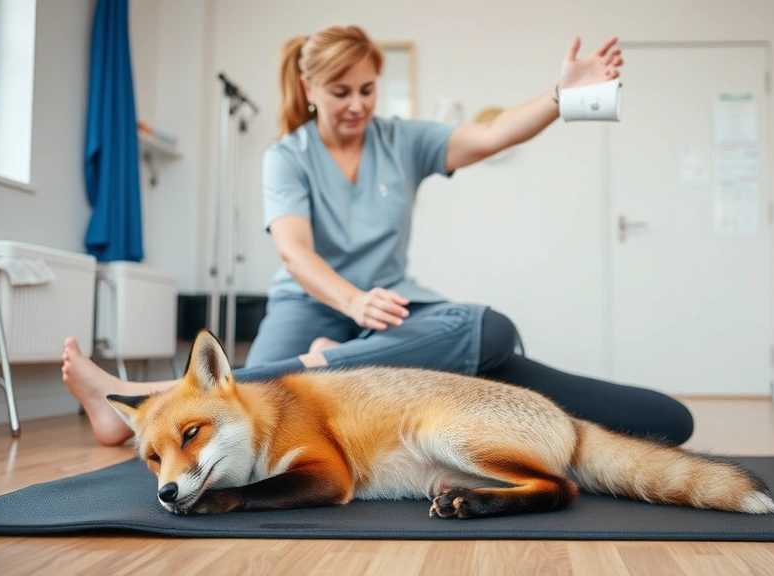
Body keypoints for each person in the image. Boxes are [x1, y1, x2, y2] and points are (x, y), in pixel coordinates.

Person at [61, 25, 694, 449]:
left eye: (367, 89)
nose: (358, 104)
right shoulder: (288, 155)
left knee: (483, 332)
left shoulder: (403, 140)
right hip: (313, 301)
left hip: (394, 310)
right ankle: (151, 404)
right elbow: (294, 252)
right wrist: (348, 303)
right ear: (309, 89)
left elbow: (492, 136)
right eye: (341, 92)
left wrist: (561, 97)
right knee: (256, 418)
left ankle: (158, 396)